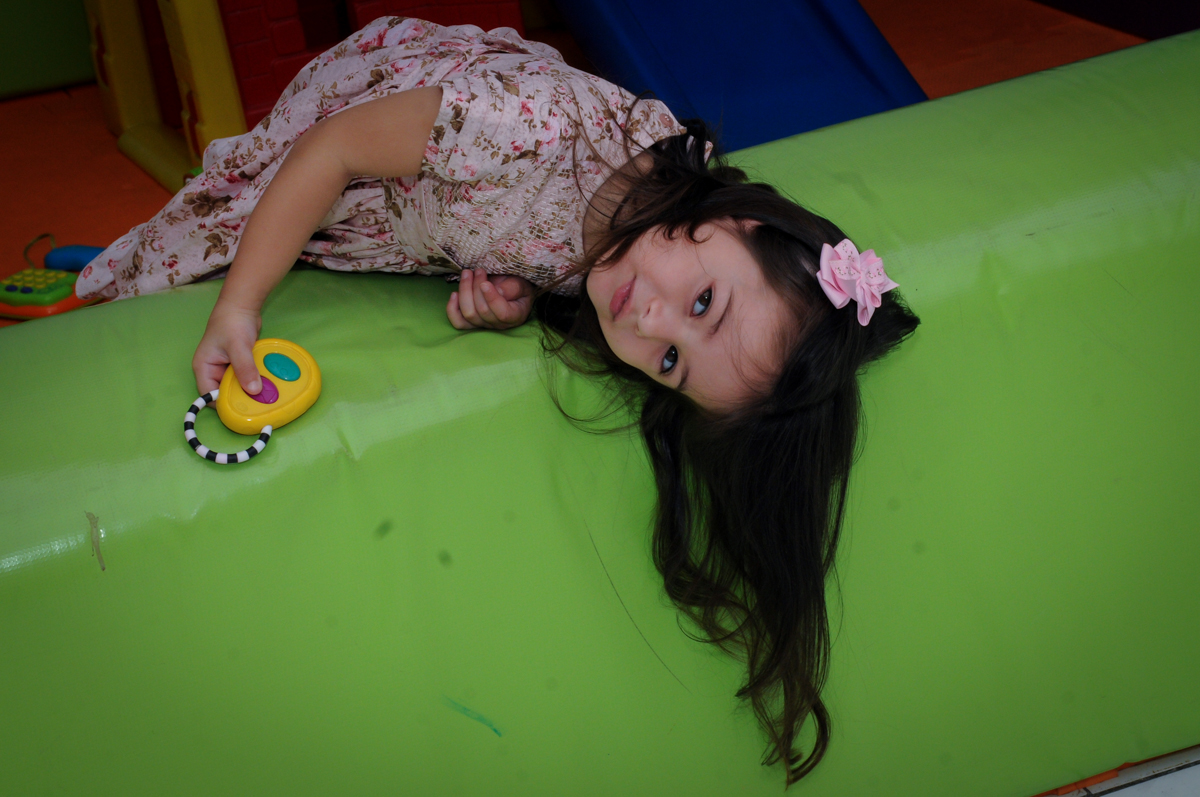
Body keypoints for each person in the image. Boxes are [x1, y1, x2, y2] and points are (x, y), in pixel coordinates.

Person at [78, 16, 920, 786]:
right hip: (358, 124)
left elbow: (555, 240)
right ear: (732, 222)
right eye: (703, 304)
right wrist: (240, 307)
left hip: (442, 182)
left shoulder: (635, 245)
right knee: (182, 256)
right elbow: (331, 151)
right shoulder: (520, 130)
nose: (652, 322)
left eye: (669, 360)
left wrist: (518, 288)